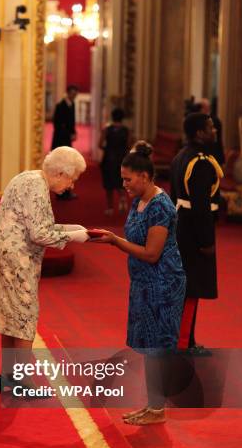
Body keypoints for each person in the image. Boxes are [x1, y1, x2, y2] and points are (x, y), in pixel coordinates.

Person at [0, 146, 88, 393]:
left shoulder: (28, 177)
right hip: (16, 259)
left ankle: (8, 376)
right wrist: (75, 236)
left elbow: (38, 224)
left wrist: (71, 228)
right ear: (61, 173)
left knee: (10, 316)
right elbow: (39, 233)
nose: (72, 186)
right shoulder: (37, 188)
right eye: (73, 179)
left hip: (3, 253)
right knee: (25, 314)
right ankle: (23, 382)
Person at [92, 141, 186, 425]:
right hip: (144, 283)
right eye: (122, 179)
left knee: (158, 347)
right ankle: (152, 406)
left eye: (128, 179)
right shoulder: (139, 200)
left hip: (163, 283)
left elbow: (151, 253)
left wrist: (115, 241)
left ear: (145, 177)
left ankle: (158, 410)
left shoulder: (161, 206)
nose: (124, 184)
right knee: (148, 346)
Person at [170, 112, 224, 354]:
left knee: (186, 288)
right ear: (200, 133)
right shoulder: (201, 162)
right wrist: (206, 240)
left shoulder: (183, 155)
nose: (215, 131)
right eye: (211, 127)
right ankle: (183, 344)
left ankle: (186, 340)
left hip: (182, 225)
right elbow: (201, 205)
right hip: (195, 231)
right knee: (192, 289)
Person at [98, 107, 130, 215]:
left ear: (112, 117)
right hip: (121, 159)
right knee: (120, 182)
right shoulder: (126, 130)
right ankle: (122, 198)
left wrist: (107, 149)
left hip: (108, 159)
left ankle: (110, 208)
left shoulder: (107, 129)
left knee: (108, 185)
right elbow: (129, 146)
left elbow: (100, 144)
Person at [51, 85, 79, 200]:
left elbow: (71, 122)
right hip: (60, 140)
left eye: (75, 94)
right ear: (67, 93)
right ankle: (60, 192)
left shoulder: (72, 104)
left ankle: (66, 191)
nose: (74, 95)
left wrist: (73, 132)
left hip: (67, 140)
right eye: (72, 93)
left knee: (68, 167)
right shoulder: (60, 106)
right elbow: (57, 124)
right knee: (61, 167)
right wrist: (68, 133)